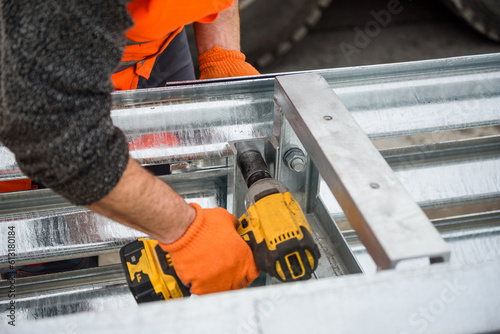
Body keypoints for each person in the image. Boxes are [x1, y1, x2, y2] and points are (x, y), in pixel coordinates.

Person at [0, 0, 260, 294]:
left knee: (156, 195)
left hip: (155, 44)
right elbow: (51, 134)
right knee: (50, 244)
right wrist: (185, 230)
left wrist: (221, 54)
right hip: (39, 70)